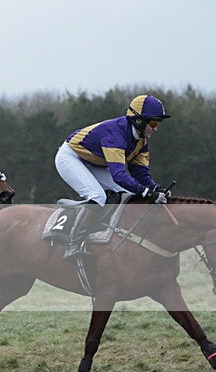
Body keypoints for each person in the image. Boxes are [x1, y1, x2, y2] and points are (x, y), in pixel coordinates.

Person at [55, 94, 172, 259]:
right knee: (98, 196)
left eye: (158, 123)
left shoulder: (142, 140)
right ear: (139, 120)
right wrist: (146, 193)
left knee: (128, 195)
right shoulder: (115, 136)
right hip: (71, 157)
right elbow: (119, 176)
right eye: (153, 123)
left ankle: (104, 230)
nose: (156, 128)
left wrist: (155, 187)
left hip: (96, 162)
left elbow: (139, 172)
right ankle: (73, 243)